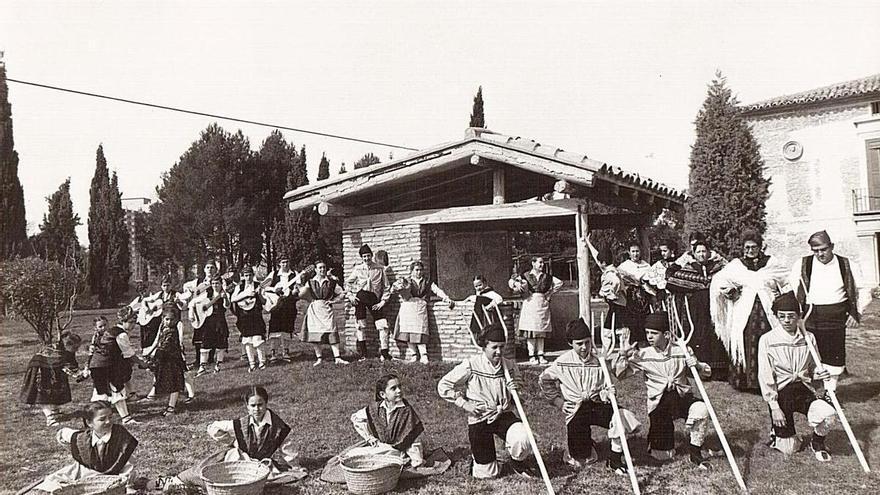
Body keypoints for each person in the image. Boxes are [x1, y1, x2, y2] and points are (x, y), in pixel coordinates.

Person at [539, 318, 640, 473]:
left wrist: (623, 356)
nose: (584, 347)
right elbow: (544, 380)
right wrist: (559, 402)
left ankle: (614, 459)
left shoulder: (599, 361)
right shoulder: (562, 362)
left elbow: (619, 372)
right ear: (570, 343)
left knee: (623, 417)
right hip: (577, 409)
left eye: (587, 342)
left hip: (597, 405)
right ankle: (584, 444)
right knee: (582, 458)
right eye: (579, 344)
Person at [437, 323, 536, 479]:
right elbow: (443, 385)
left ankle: (517, 462)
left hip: (503, 414)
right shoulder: (471, 364)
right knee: (488, 475)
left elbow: (518, 392)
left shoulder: (509, 365)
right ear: (484, 346)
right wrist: (464, 403)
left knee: (524, 437)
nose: (499, 351)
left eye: (502, 347)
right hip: (480, 417)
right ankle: (479, 462)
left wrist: (515, 388)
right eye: (494, 347)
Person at [619, 312, 715, 470]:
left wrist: (697, 365)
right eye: (647, 332)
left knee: (701, 409)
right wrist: (623, 355)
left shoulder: (682, 350)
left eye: (654, 333)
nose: (649, 337)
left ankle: (695, 452)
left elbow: (706, 374)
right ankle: (657, 440)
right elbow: (620, 374)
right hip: (660, 404)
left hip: (681, 397)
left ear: (666, 335)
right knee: (663, 455)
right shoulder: (643, 354)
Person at [170, 386, 302, 488]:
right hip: (240, 458)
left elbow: (287, 449)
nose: (257, 409)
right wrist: (232, 441)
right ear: (247, 407)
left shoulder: (278, 426)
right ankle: (181, 480)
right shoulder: (241, 423)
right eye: (253, 406)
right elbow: (213, 427)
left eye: (260, 405)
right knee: (213, 468)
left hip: (260, 465)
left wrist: (295, 467)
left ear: (266, 404)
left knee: (262, 480)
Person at [758, 292, 837, 461]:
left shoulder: (808, 338)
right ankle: (777, 434)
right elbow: (765, 375)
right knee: (789, 449)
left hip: (803, 388)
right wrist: (774, 407)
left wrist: (819, 373)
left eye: (791, 316)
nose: (786, 320)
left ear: (799, 316)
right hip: (782, 392)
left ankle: (817, 442)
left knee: (828, 413)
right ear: (776, 317)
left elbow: (813, 367)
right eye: (782, 316)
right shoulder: (767, 340)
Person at [788, 230, 871, 391]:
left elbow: (864, 290)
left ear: (831, 246)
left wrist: (857, 313)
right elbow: (791, 288)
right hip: (808, 317)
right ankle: (807, 391)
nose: (820, 254)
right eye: (816, 251)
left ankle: (830, 392)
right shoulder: (803, 264)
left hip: (836, 317)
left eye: (823, 249)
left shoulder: (846, 264)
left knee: (833, 357)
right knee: (806, 354)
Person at [711, 231, 789, 391]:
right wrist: (731, 291)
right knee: (745, 341)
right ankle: (747, 382)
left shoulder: (771, 263)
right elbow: (718, 281)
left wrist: (780, 294)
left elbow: (787, 280)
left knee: (769, 341)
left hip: (768, 310)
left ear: (760, 247)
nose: (750, 251)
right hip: (745, 311)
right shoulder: (737, 265)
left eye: (754, 247)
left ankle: (771, 380)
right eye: (747, 248)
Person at [29, 401, 138, 493]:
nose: (108, 421)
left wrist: (126, 484)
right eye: (102, 419)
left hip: (114, 475)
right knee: (53, 480)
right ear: (90, 423)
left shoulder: (120, 435)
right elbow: (63, 434)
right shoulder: (84, 438)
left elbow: (127, 462)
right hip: (86, 471)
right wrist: (74, 449)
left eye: (110, 417)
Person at [666, 239, 728, 380]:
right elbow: (671, 282)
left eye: (704, 251)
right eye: (698, 251)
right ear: (693, 254)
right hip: (696, 310)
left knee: (716, 335)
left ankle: (718, 370)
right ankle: (697, 368)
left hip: (715, 309)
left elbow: (730, 277)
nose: (701, 254)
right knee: (698, 335)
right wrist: (692, 287)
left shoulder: (718, 267)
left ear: (709, 253)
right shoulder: (689, 268)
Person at [345, 374, 426, 467]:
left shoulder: (406, 411)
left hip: (397, 450)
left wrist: (417, 460)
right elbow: (357, 418)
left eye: (399, 387)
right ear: (383, 394)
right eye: (393, 388)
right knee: (352, 453)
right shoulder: (376, 408)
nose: (399, 391)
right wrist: (370, 438)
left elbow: (413, 437)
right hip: (381, 446)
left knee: (363, 456)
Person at [21, 330, 85, 427]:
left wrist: (80, 373)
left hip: (53, 374)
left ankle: (55, 412)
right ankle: (50, 418)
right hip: (42, 372)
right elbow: (65, 365)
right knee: (45, 396)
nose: (77, 350)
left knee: (55, 392)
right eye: (75, 347)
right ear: (67, 345)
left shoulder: (66, 351)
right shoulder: (56, 352)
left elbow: (70, 364)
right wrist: (79, 374)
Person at [392, 261, 453, 363]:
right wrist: (396, 288)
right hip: (408, 308)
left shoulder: (427, 282)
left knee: (420, 331)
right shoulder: (407, 281)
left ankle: (424, 355)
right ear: (411, 271)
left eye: (420, 270)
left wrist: (446, 298)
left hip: (420, 308)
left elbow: (437, 290)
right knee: (408, 332)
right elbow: (394, 290)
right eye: (416, 270)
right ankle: (414, 355)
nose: (419, 272)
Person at [509, 256, 563, 365]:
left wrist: (550, 293)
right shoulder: (525, 275)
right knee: (531, 331)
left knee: (541, 331)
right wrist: (516, 284)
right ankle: (531, 355)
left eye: (543, 263)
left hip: (542, 304)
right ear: (533, 263)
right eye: (540, 262)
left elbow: (559, 283)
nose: (542, 265)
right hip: (530, 303)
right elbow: (511, 281)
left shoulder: (547, 277)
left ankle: (541, 354)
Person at [87, 314, 139, 425]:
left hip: (98, 366)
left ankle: (92, 417)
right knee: (117, 391)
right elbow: (128, 353)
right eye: (100, 326)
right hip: (106, 366)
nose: (104, 328)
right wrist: (142, 363)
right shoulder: (117, 334)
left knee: (101, 392)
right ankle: (126, 418)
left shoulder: (106, 335)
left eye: (105, 325)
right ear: (95, 328)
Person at [346, 244, 393, 361]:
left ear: (371, 256)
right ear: (361, 258)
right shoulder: (358, 269)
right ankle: (363, 354)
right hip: (360, 298)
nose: (366, 258)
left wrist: (383, 301)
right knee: (360, 325)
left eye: (368, 256)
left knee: (383, 325)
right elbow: (348, 283)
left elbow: (387, 287)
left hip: (374, 298)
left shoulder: (379, 269)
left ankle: (384, 353)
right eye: (364, 257)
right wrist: (350, 295)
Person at [300, 260, 348, 366]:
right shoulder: (310, 282)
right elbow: (301, 294)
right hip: (315, 309)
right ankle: (319, 358)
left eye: (324, 267)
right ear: (316, 270)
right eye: (320, 268)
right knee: (315, 333)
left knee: (331, 330)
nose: (322, 269)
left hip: (327, 309)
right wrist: (310, 299)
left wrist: (334, 301)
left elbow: (342, 293)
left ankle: (337, 358)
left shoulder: (331, 282)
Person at [142, 305, 188, 417]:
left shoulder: (172, 332)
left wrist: (153, 358)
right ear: (163, 318)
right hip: (164, 360)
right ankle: (157, 398)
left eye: (172, 319)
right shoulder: (163, 327)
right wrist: (149, 353)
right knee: (164, 380)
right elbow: (158, 341)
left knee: (174, 384)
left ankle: (171, 407)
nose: (169, 322)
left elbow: (165, 347)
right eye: (167, 319)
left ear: (176, 320)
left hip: (173, 361)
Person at [263, 256, 301, 363]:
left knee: (287, 328)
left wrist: (295, 290)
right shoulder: (273, 274)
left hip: (289, 304)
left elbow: (299, 287)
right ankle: (273, 353)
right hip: (277, 304)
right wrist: (274, 289)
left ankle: (286, 352)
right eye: (283, 262)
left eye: (287, 262)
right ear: (279, 263)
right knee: (274, 328)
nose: (285, 264)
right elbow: (263, 286)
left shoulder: (295, 274)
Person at [231, 265, 269, 372]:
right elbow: (233, 299)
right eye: (246, 275)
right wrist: (245, 294)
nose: (248, 278)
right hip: (243, 316)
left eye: (250, 275)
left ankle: (262, 362)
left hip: (255, 315)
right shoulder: (239, 287)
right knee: (247, 340)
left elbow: (264, 301)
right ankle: (251, 363)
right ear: (243, 276)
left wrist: (259, 294)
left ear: (253, 275)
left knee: (258, 339)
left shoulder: (258, 285)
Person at [195, 275, 231, 376]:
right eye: (213, 283)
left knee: (221, 342)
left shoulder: (225, 293)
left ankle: (218, 365)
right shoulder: (207, 294)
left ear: (221, 284)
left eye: (217, 283)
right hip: (208, 321)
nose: (215, 285)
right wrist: (194, 312)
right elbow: (194, 302)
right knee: (205, 342)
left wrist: (225, 298)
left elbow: (227, 306)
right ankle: (202, 367)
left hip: (220, 320)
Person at [129, 280, 163, 350]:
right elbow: (130, 308)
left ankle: (153, 349)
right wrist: (136, 310)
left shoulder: (153, 297)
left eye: (144, 291)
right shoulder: (138, 299)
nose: (143, 293)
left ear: (147, 289)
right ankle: (144, 350)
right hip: (144, 321)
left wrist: (154, 308)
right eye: (140, 292)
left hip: (154, 320)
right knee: (144, 337)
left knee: (153, 336)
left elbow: (160, 304)